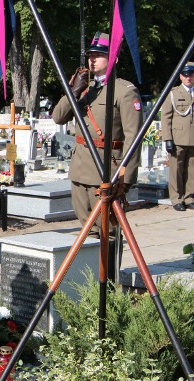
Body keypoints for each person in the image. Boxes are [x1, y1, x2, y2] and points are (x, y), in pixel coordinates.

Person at [52, 31, 142, 234]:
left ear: (114, 58)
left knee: (108, 229)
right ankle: (91, 267)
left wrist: (126, 177)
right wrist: (72, 91)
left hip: (105, 168)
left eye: (99, 55)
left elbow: (133, 135)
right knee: (86, 229)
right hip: (80, 167)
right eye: (91, 55)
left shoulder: (124, 91)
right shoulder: (84, 88)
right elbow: (58, 117)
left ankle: (110, 267)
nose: (92, 60)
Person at [161, 61, 194, 211]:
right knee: (176, 170)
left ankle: (189, 197)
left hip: (192, 138)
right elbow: (166, 117)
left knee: (191, 169)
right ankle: (177, 198)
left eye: (191, 75)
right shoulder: (173, 93)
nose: (189, 78)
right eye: (186, 75)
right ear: (180, 76)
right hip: (178, 138)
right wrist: (167, 139)